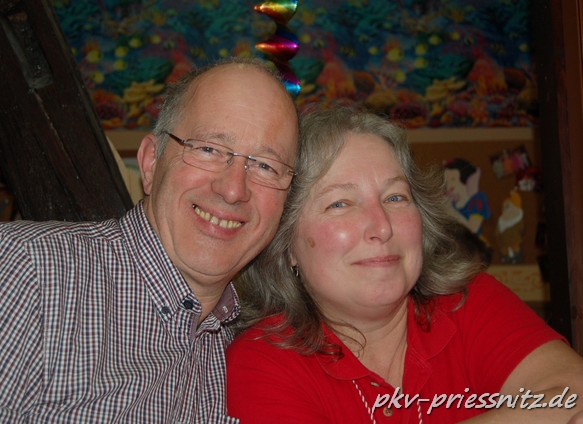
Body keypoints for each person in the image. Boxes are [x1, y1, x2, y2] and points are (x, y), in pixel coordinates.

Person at [0, 57, 300, 423]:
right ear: (150, 163)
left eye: (266, 166)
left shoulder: (241, 351)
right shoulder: (28, 273)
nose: (233, 189)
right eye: (208, 149)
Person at [226, 108, 583, 423]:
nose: (382, 226)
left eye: (395, 197)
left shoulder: (468, 302)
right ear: (286, 243)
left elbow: (574, 396)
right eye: (340, 203)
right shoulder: (263, 362)